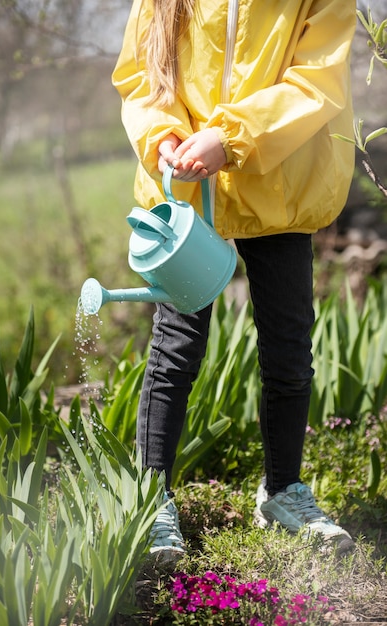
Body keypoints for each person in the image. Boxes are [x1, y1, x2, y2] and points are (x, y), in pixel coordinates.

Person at [112, 0, 357, 560]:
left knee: (290, 347)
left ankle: (282, 490)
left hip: (279, 182)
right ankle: (153, 500)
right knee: (175, 347)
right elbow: (141, 74)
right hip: (186, 193)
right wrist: (162, 138)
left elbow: (318, 78)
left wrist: (232, 137)